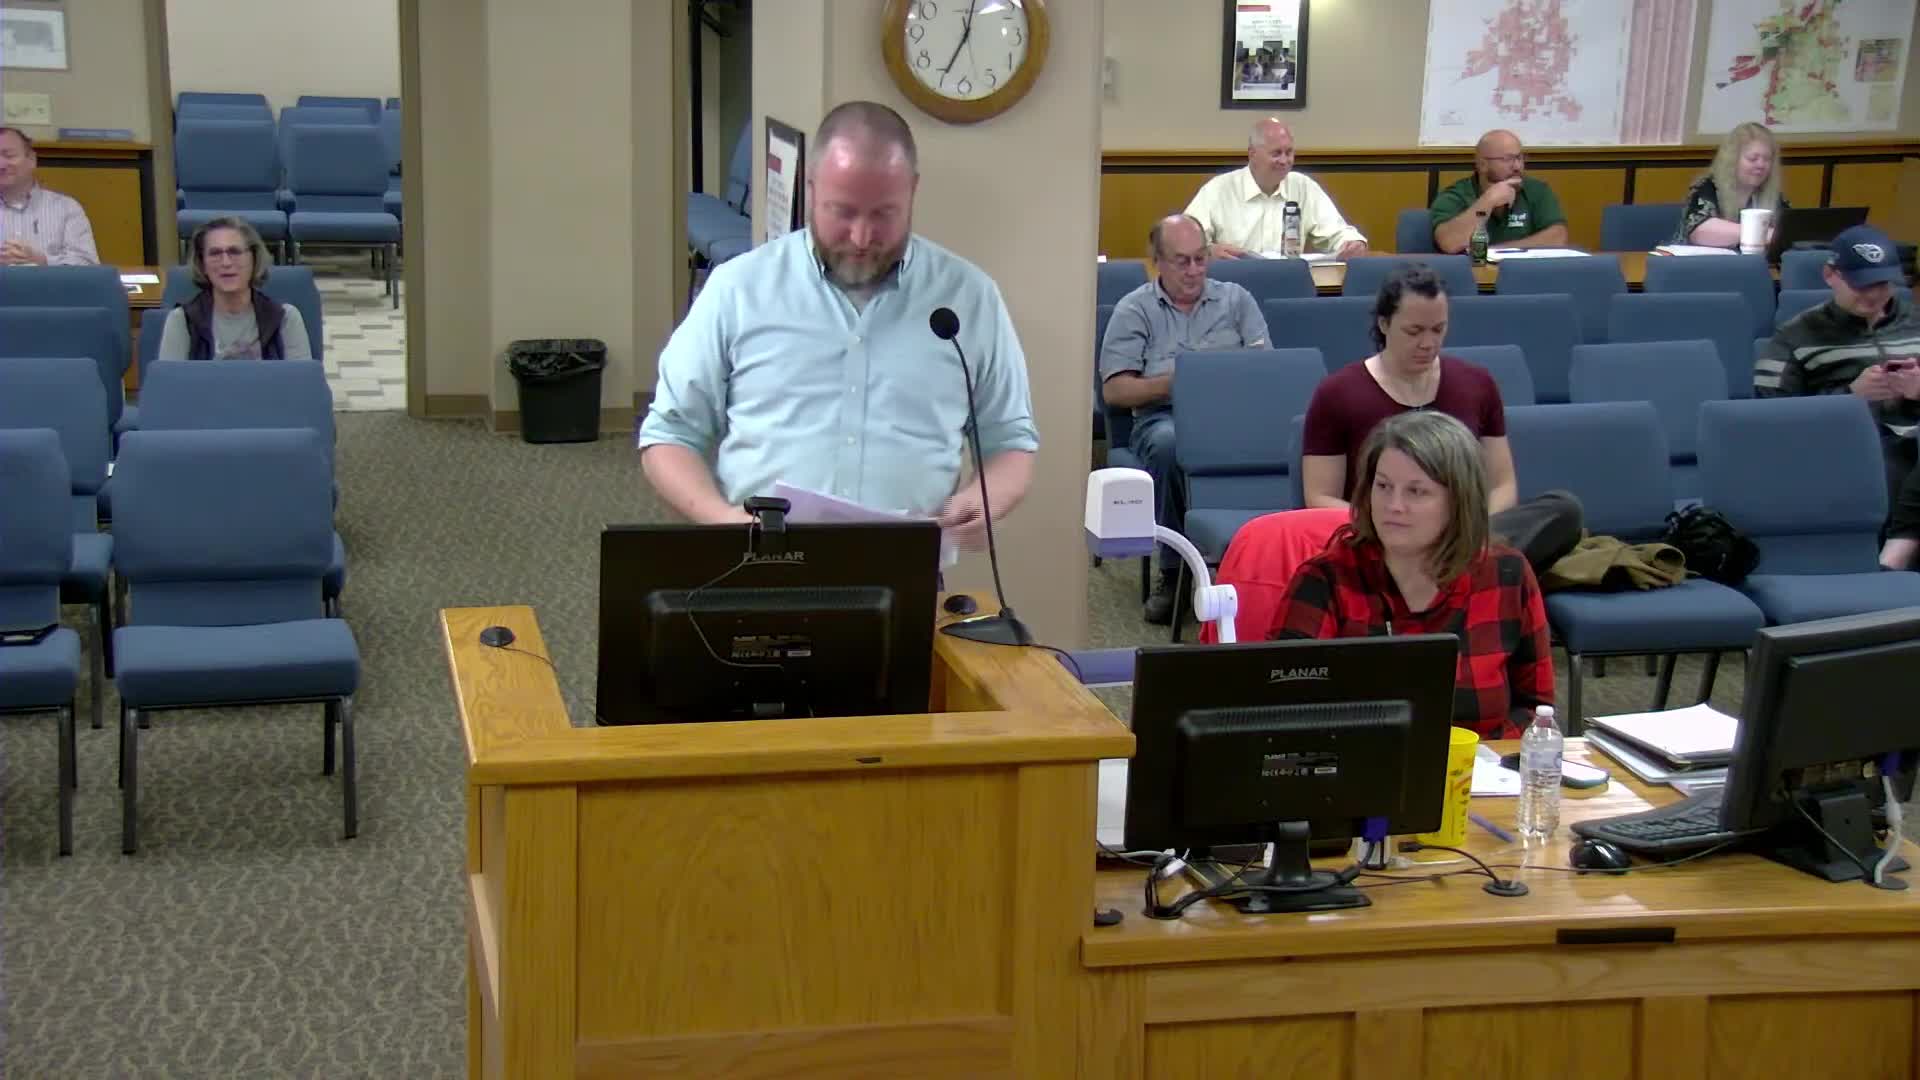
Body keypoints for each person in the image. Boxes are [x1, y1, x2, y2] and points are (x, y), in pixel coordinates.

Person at [638, 101, 1038, 548]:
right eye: (842, 212)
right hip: (762, 562)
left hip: (906, 567)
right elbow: (668, 435)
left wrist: (982, 502)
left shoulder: (969, 298)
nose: (861, 238)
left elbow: (1010, 441)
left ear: (913, 191)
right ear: (811, 190)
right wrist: (724, 522)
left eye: (883, 214)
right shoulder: (739, 289)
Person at [1269, 411, 1554, 737]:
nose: (1394, 505)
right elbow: (1282, 712)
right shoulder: (1324, 580)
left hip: (1479, 763)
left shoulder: (1507, 575)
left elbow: (1535, 708)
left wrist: (1484, 755)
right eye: (1383, 486)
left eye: (1416, 492)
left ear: (1459, 501)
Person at [1100, 213, 1271, 622]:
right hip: (1163, 418)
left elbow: (1267, 369)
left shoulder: (1236, 300)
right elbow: (1115, 391)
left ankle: (1261, 565)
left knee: (1285, 439)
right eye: (1182, 261)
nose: (1194, 271)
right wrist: (1177, 383)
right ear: (1157, 261)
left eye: (1200, 258)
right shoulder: (1135, 309)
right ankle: (1176, 572)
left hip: (1233, 415)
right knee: (1171, 444)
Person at [1755, 224, 1920, 570]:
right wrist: (1850, 398)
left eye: (1882, 285)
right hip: (1856, 447)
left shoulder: (1916, 320)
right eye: (1861, 285)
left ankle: (1897, 554)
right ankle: (1898, 554)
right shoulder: (1796, 336)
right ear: (1831, 275)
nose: (1873, 296)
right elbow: (1772, 422)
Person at [1299, 264, 1517, 514]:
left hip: (1464, 532)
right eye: (1414, 331)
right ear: (1384, 324)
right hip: (1379, 529)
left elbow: (1502, 486)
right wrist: (1383, 526)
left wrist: (1472, 527)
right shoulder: (1337, 394)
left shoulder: (1478, 384)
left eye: (1438, 329)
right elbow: (1320, 496)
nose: (1428, 343)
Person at [1183, 118, 1368, 260]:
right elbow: (1185, 240)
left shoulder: (1303, 187)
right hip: (1234, 284)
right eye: (1276, 153)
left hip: (1289, 283)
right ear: (1252, 154)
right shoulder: (1219, 189)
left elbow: (1337, 232)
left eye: (1289, 152)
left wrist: (1353, 243)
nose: (1284, 161)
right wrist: (1209, 251)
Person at [155, 217, 312, 361]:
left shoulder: (285, 318)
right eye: (215, 253)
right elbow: (171, 381)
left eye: (235, 252)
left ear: (254, 259)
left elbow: (300, 381)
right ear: (202, 264)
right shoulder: (182, 320)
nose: (226, 263)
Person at [1429, 129, 1569, 254]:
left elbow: (1557, 237)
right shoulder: (1455, 196)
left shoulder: (1536, 190)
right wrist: (1488, 200)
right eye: (1508, 159)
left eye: (1519, 158)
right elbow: (1450, 243)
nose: (1517, 166)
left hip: (1524, 271)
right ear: (1482, 165)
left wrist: (1496, 251)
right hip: (1473, 272)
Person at [1674, 121, 1787, 248]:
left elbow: (1790, 231)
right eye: (1752, 159)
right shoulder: (1708, 186)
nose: (1761, 165)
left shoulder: (1772, 194)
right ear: (1732, 160)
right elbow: (1699, 232)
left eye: (1767, 159)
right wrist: (1762, 233)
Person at [0, 126, 100, 266]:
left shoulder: (66, 208)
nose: (1, 165)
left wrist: (43, 261)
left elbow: (88, 264)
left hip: (52, 281)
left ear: (32, 160)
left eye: (9, 156)